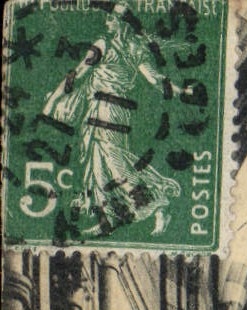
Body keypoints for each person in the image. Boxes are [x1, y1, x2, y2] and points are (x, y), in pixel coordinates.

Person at [42, 5, 202, 236]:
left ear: (123, 24)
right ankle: (111, 216)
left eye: (111, 19)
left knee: (113, 162)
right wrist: (182, 92)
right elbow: (156, 80)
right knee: (98, 164)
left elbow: (78, 73)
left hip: (105, 110)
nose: (107, 23)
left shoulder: (104, 45)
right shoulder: (136, 49)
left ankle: (158, 202)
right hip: (113, 112)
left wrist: (54, 101)